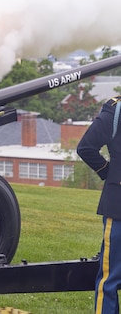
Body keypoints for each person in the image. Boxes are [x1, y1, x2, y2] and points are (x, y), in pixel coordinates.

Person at [77, 95, 121, 314]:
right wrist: (109, 174)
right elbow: (86, 147)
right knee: (110, 279)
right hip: (119, 208)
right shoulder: (116, 109)